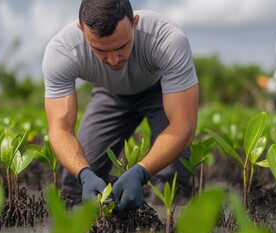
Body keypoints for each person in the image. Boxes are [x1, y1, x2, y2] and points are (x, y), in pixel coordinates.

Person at [43, 0, 198, 211]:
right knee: (74, 185)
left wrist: (141, 171)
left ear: (135, 23)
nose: (114, 60)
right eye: (100, 50)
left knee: (172, 179)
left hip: (161, 91)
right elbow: (59, 130)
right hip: (110, 94)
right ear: (81, 30)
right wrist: (84, 174)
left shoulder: (167, 39)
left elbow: (184, 125)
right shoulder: (62, 51)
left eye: (121, 46)